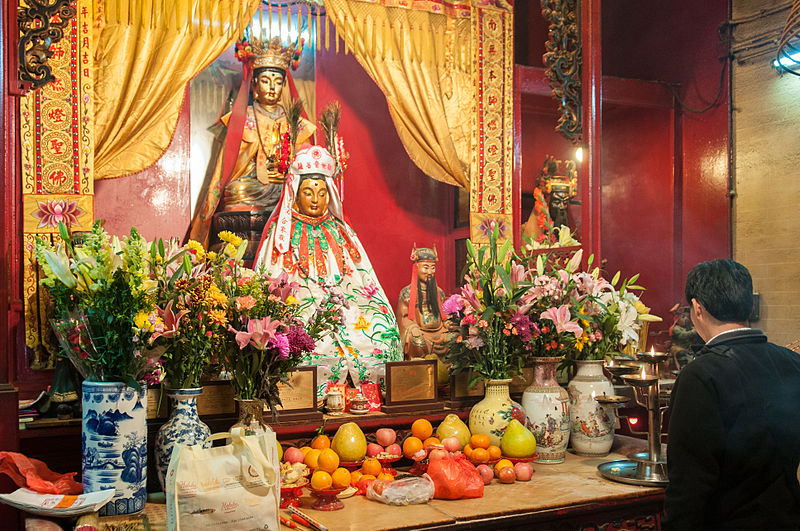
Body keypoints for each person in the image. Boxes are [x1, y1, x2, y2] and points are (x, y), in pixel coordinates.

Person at [254, 145, 401, 399]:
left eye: (321, 193)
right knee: (302, 339)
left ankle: (363, 395)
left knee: (381, 331)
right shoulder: (282, 234)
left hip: (347, 305)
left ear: (329, 195)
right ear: (295, 194)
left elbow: (362, 278)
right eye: (308, 192)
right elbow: (273, 280)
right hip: (302, 305)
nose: (315, 200)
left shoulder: (340, 230)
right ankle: (304, 399)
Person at [664, 259, 800, 529]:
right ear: (749, 305)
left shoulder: (700, 376)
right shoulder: (792, 363)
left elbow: (688, 485)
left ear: (697, 309)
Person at [189, 37, 315, 248]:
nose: (272, 87)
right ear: (255, 85)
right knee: (236, 191)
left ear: (284, 85)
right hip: (252, 187)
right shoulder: (242, 119)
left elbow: (306, 164)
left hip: (284, 188)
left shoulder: (295, 122)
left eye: (277, 81)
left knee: (299, 197)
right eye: (266, 80)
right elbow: (225, 170)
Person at [395, 246, 453, 361]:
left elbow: (444, 314)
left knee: (456, 337)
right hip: (421, 332)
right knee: (417, 340)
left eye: (433, 268)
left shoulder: (439, 292)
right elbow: (403, 318)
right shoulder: (407, 292)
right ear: (416, 268)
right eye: (425, 268)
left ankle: (450, 372)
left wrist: (448, 323)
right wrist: (412, 327)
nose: (430, 272)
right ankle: (421, 372)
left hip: (440, 332)